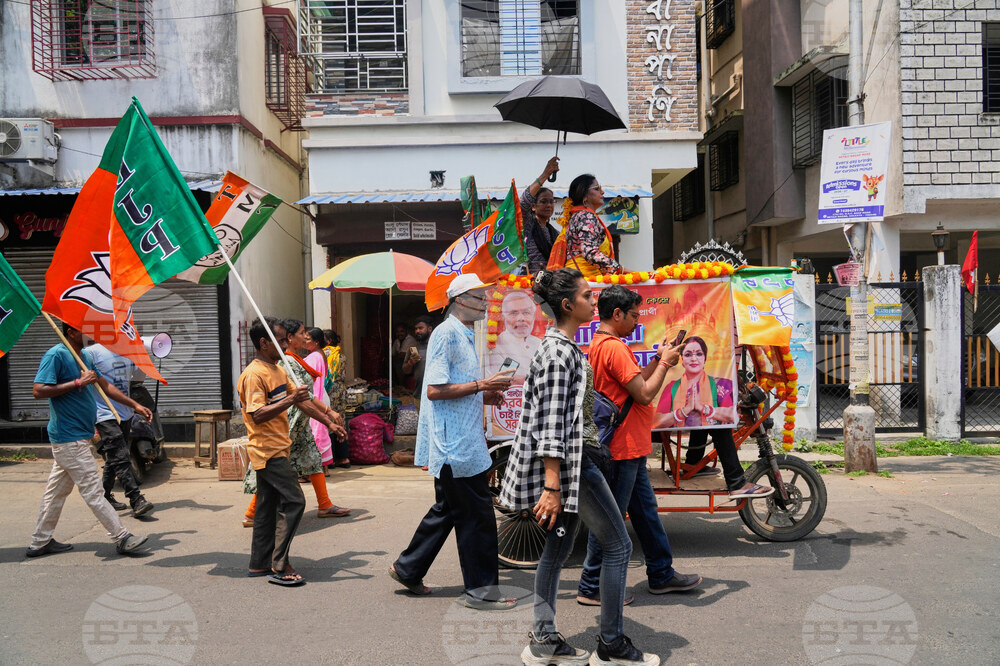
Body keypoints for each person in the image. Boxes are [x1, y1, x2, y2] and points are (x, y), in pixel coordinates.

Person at [499, 269, 660, 666]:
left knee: (557, 548)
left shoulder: (563, 347)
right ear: (568, 305)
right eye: (588, 296)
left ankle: (544, 639)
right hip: (576, 464)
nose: (594, 301)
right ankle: (611, 645)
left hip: (575, 461)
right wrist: (552, 486)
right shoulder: (558, 353)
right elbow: (551, 424)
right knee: (619, 545)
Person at [389, 275, 517, 610]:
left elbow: (456, 387)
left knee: (448, 509)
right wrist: (480, 386)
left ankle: (408, 568)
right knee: (477, 519)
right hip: (456, 445)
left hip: (460, 439)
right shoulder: (446, 333)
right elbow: (434, 390)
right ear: (460, 299)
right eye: (478, 297)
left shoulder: (462, 332)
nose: (484, 302)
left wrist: (485, 394)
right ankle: (482, 592)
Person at [575, 286, 702, 610]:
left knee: (645, 513)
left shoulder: (606, 345)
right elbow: (644, 394)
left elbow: (634, 386)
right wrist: (665, 365)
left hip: (629, 447)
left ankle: (661, 573)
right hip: (620, 449)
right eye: (633, 316)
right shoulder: (614, 348)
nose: (635, 321)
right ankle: (591, 585)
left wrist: (660, 359)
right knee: (609, 520)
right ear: (616, 314)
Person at [26, 323, 149, 558]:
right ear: (71, 333)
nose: (91, 334)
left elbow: (106, 386)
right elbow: (39, 390)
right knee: (94, 490)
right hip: (68, 438)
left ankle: (39, 542)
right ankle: (121, 536)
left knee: (55, 493)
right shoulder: (57, 354)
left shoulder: (83, 356)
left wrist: (134, 404)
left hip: (76, 436)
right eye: (85, 330)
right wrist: (77, 383)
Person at [240, 317, 346, 586]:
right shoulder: (254, 374)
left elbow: (305, 402)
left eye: (287, 339)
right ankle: (279, 564)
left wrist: (330, 422)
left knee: (266, 509)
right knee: (295, 501)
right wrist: (290, 398)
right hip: (267, 450)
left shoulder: (278, 369)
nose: (286, 344)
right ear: (264, 343)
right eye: (280, 340)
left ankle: (258, 564)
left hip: (280, 448)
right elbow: (257, 414)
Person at [655, 336, 773, 500]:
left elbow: (731, 415)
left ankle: (693, 464)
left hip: (702, 416)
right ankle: (736, 482)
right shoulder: (671, 387)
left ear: (705, 358)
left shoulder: (721, 384)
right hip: (660, 430)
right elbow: (656, 421)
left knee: (710, 421)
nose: (694, 358)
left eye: (698, 354)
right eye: (688, 354)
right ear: (682, 360)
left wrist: (705, 408)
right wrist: (684, 411)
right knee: (719, 428)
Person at [88, 343, 154, 517]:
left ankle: (104, 497)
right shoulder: (92, 352)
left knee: (114, 458)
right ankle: (136, 499)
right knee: (121, 456)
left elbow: (137, 381)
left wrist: (142, 357)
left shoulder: (128, 352)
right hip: (104, 414)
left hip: (125, 413)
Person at [548, 174, 620, 278]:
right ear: (584, 195)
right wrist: (619, 269)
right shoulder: (586, 216)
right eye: (597, 188)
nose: (602, 192)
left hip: (576, 278)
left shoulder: (577, 215)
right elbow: (589, 252)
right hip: (585, 280)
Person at [306, 327, 350, 468]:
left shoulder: (318, 355)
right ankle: (341, 458)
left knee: (324, 426)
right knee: (335, 423)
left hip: (324, 392)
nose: (304, 341)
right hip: (336, 391)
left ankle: (326, 462)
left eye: (307, 338)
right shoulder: (338, 355)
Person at [487, 290, 543, 382]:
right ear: (503, 317)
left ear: (533, 316)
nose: (521, 318)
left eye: (526, 313)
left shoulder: (539, 343)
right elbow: (504, 381)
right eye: (513, 313)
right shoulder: (498, 346)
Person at [521, 156, 562, 273]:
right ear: (533, 206)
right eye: (544, 201)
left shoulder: (555, 233)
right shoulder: (527, 225)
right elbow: (523, 202)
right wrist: (545, 174)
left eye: (551, 201)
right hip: (528, 285)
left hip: (549, 285)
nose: (549, 205)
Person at [401, 315, 433, 397]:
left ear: (429, 329)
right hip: (419, 394)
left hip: (436, 395)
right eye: (416, 329)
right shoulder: (412, 347)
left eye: (420, 328)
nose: (417, 331)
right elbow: (405, 370)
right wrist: (410, 363)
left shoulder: (436, 345)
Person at [321, 329, 347, 413]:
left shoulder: (323, 354)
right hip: (341, 388)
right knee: (340, 415)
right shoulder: (341, 355)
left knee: (329, 415)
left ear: (328, 341)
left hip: (329, 388)